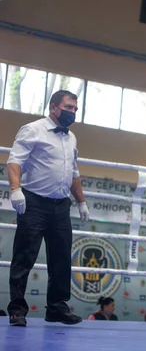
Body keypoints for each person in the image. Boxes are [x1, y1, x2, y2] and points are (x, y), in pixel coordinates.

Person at [6, 90, 89, 327]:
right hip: (34, 203)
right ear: (54, 108)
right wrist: (15, 189)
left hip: (61, 206)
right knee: (24, 257)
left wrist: (81, 202)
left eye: (75, 108)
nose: (72, 112)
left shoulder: (71, 138)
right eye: (68, 107)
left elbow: (73, 173)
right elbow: (14, 161)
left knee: (62, 259)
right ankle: (17, 310)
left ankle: (56, 309)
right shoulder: (33, 130)